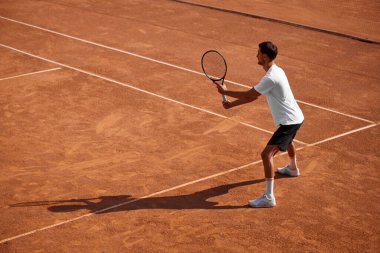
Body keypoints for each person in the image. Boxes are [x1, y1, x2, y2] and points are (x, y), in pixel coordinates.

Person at [215, 41, 304, 208]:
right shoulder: (277, 71)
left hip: (288, 121)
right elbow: (253, 97)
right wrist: (231, 104)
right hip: (296, 117)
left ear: (264, 56)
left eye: (258, 53)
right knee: (289, 140)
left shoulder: (270, 77)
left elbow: (250, 94)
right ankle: (293, 169)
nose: (256, 56)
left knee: (266, 155)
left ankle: (269, 197)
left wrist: (225, 92)